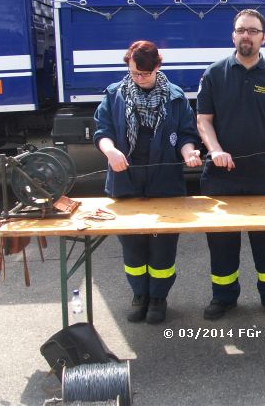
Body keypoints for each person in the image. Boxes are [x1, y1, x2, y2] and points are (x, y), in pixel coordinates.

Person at [196, 9, 265, 320]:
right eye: (241, 30)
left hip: (264, 175)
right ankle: (223, 297)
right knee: (222, 242)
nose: (246, 36)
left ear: (264, 38)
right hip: (221, 176)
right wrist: (215, 150)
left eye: (253, 31)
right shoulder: (214, 74)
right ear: (233, 36)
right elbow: (203, 121)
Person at [94, 40, 201, 324]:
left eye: (145, 73)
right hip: (125, 184)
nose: (139, 79)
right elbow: (102, 131)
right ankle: (139, 295)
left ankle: (158, 298)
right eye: (134, 73)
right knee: (133, 247)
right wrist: (110, 151)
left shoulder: (176, 98)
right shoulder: (115, 94)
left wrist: (189, 153)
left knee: (162, 248)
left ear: (157, 67)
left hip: (165, 185)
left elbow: (187, 135)